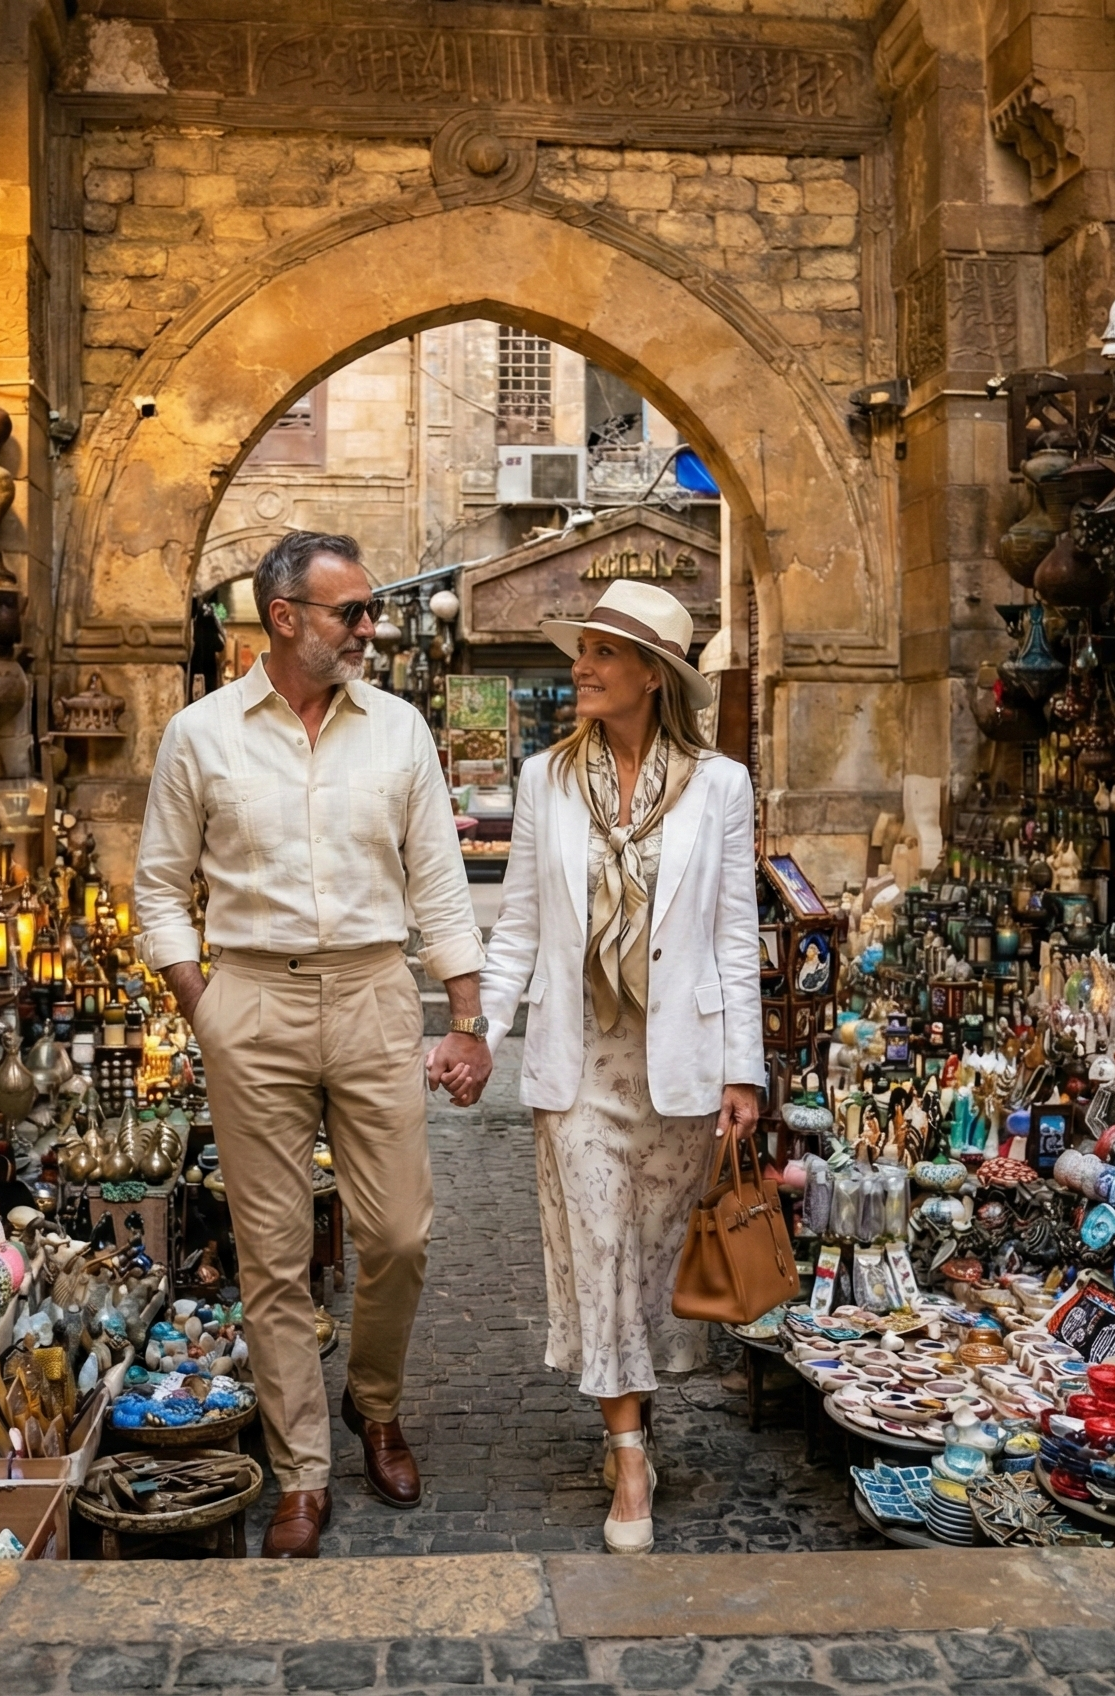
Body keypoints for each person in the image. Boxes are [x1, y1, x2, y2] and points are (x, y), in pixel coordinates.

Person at [135, 530, 493, 1559]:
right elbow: (161, 885)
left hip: (376, 992)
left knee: (397, 1236)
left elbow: (437, 884)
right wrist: (203, 1001)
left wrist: (464, 1018)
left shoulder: (398, 732)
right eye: (353, 612)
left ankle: (372, 1403)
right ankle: (301, 1469)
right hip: (250, 997)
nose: (370, 627)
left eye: (372, 609)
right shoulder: (200, 735)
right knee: (275, 1254)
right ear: (282, 618)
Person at [435, 579, 763, 1555]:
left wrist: (741, 1071)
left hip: (677, 1062)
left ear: (652, 676)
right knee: (597, 1251)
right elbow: (522, 929)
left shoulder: (719, 787)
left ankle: (634, 1414)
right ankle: (626, 1456)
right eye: (580, 649)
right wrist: (481, 1027)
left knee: (649, 1260)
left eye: (603, 653)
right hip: (577, 1064)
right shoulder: (543, 781)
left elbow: (734, 936)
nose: (581, 666)